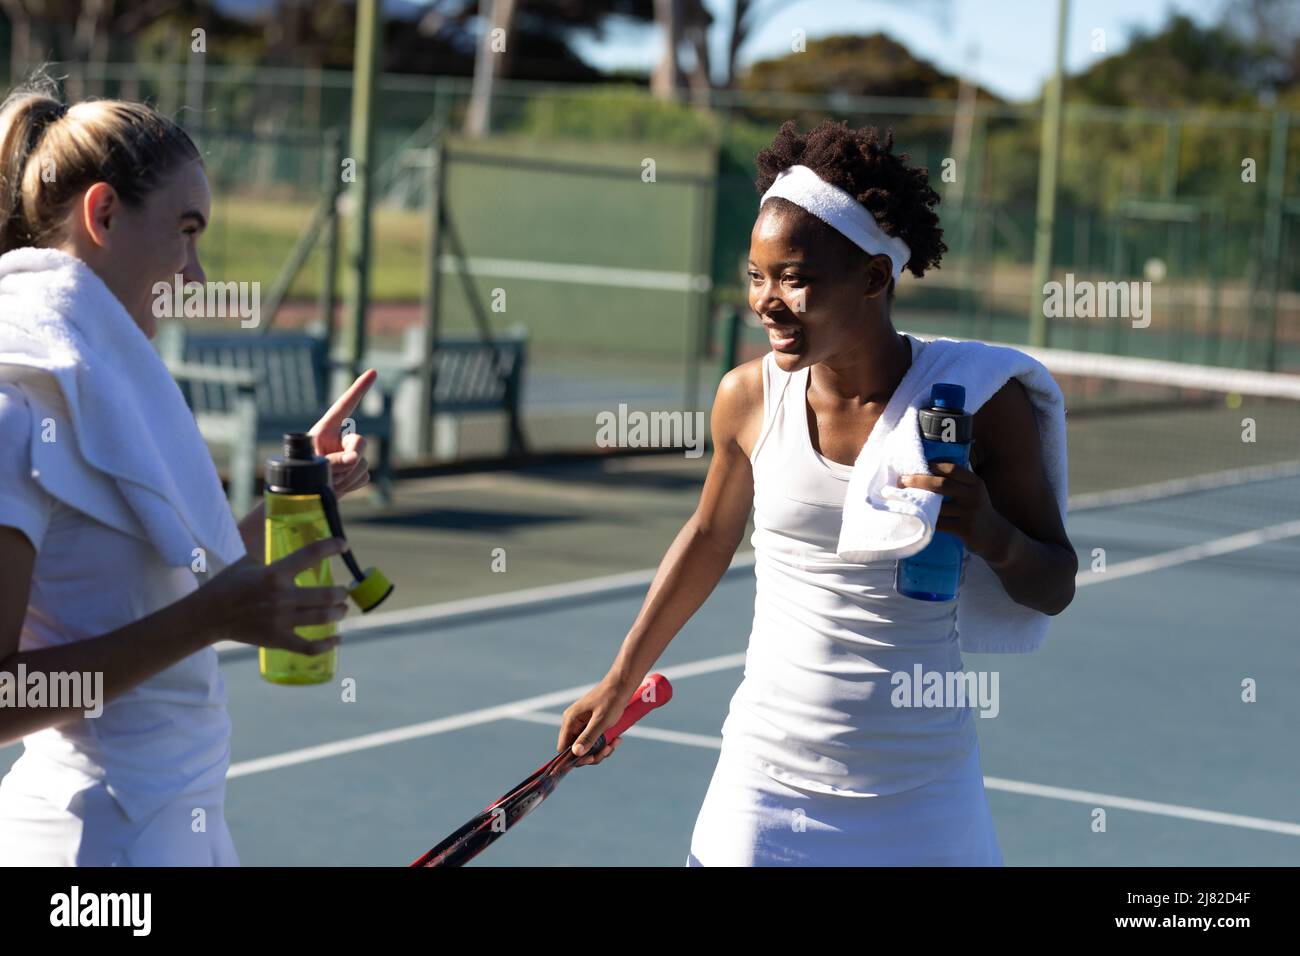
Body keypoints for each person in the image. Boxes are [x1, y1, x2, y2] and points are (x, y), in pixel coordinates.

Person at [557, 120, 1078, 866]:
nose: (768, 301)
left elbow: (1054, 585)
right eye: (756, 275)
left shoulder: (981, 401)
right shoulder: (746, 397)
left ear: (873, 277)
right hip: (764, 784)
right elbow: (709, 538)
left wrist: (988, 532)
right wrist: (618, 681)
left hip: (924, 792)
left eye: (795, 277)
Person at [0, 75, 376, 865]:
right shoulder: (17, 398)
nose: (198, 274)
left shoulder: (106, 383)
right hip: (93, 848)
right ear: (103, 214)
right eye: (186, 230)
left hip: (171, 828)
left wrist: (294, 495)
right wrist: (209, 622)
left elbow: (169, 575)